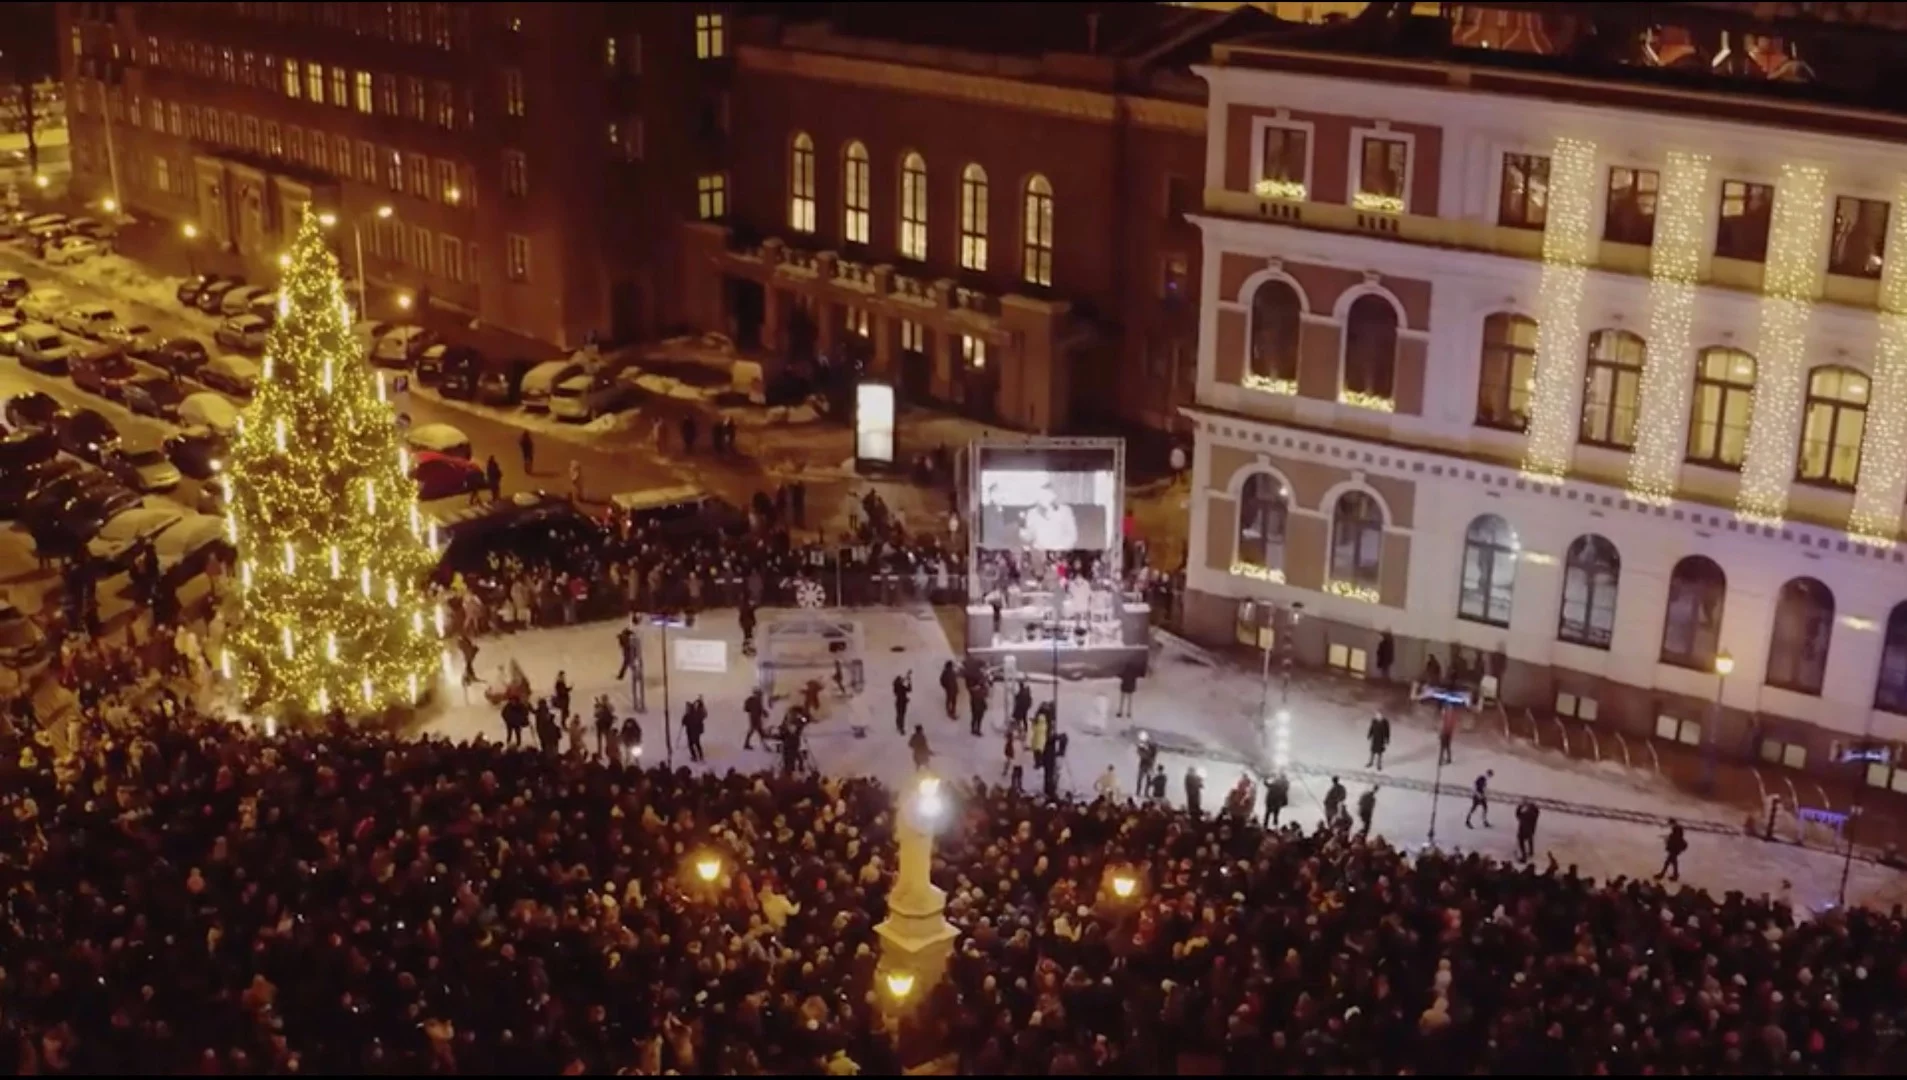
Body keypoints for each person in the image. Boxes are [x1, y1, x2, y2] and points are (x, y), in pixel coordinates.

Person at [1021, 479, 1079, 552]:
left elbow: (1072, 537)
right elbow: (1028, 537)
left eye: (1047, 490)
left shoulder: (1065, 511)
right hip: (1039, 552)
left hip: (1059, 552)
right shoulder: (1032, 513)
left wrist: (1060, 549)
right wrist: (1022, 527)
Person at [683, 698, 706, 763]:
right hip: (696, 732)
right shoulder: (696, 714)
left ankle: (695, 757)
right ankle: (700, 756)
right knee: (697, 744)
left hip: (691, 732)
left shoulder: (688, 715)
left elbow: (684, 722)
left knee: (691, 745)